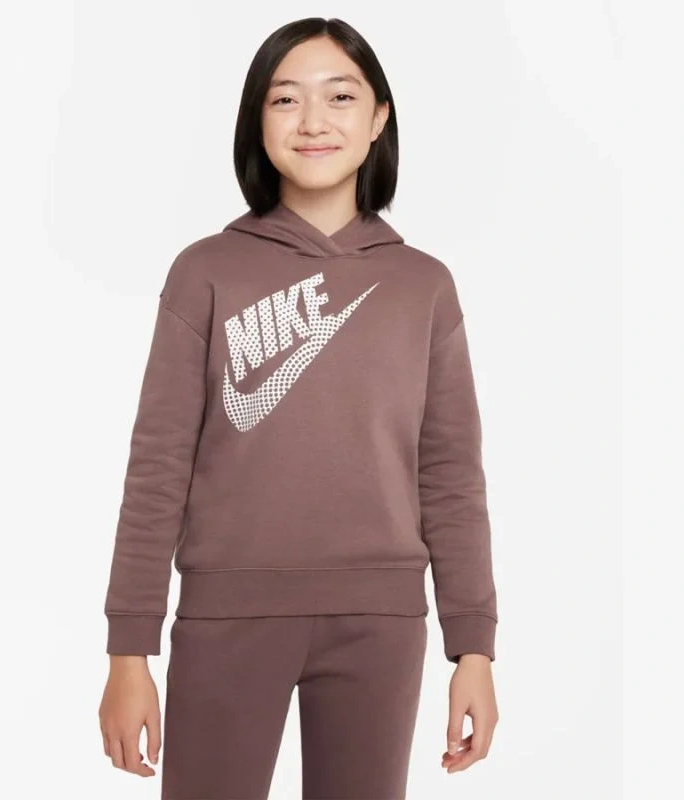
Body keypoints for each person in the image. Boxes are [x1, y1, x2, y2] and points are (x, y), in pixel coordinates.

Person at [98, 16, 499, 800]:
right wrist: (128, 650)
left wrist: (473, 648)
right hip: (225, 617)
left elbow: (451, 476)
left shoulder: (423, 286)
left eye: (339, 97)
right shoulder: (206, 273)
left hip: (380, 626)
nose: (314, 121)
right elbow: (158, 468)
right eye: (286, 99)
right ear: (257, 121)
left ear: (378, 118)